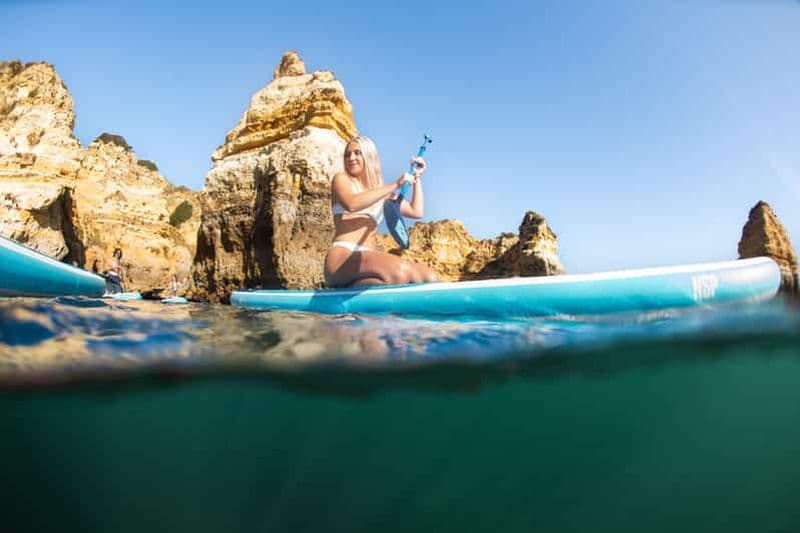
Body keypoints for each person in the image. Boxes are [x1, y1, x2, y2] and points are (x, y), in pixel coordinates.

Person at [324, 136, 438, 288]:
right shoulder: (342, 179)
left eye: (358, 153)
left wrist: (417, 177)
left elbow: (416, 211)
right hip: (342, 258)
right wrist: (395, 184)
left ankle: (351, 289)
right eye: (347, 154)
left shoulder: (381, 192)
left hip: (368, 261)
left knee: (430, 276)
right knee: (399, 272)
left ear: (369, 156)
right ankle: (347, 286)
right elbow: (352, 203)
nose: (351, 157)